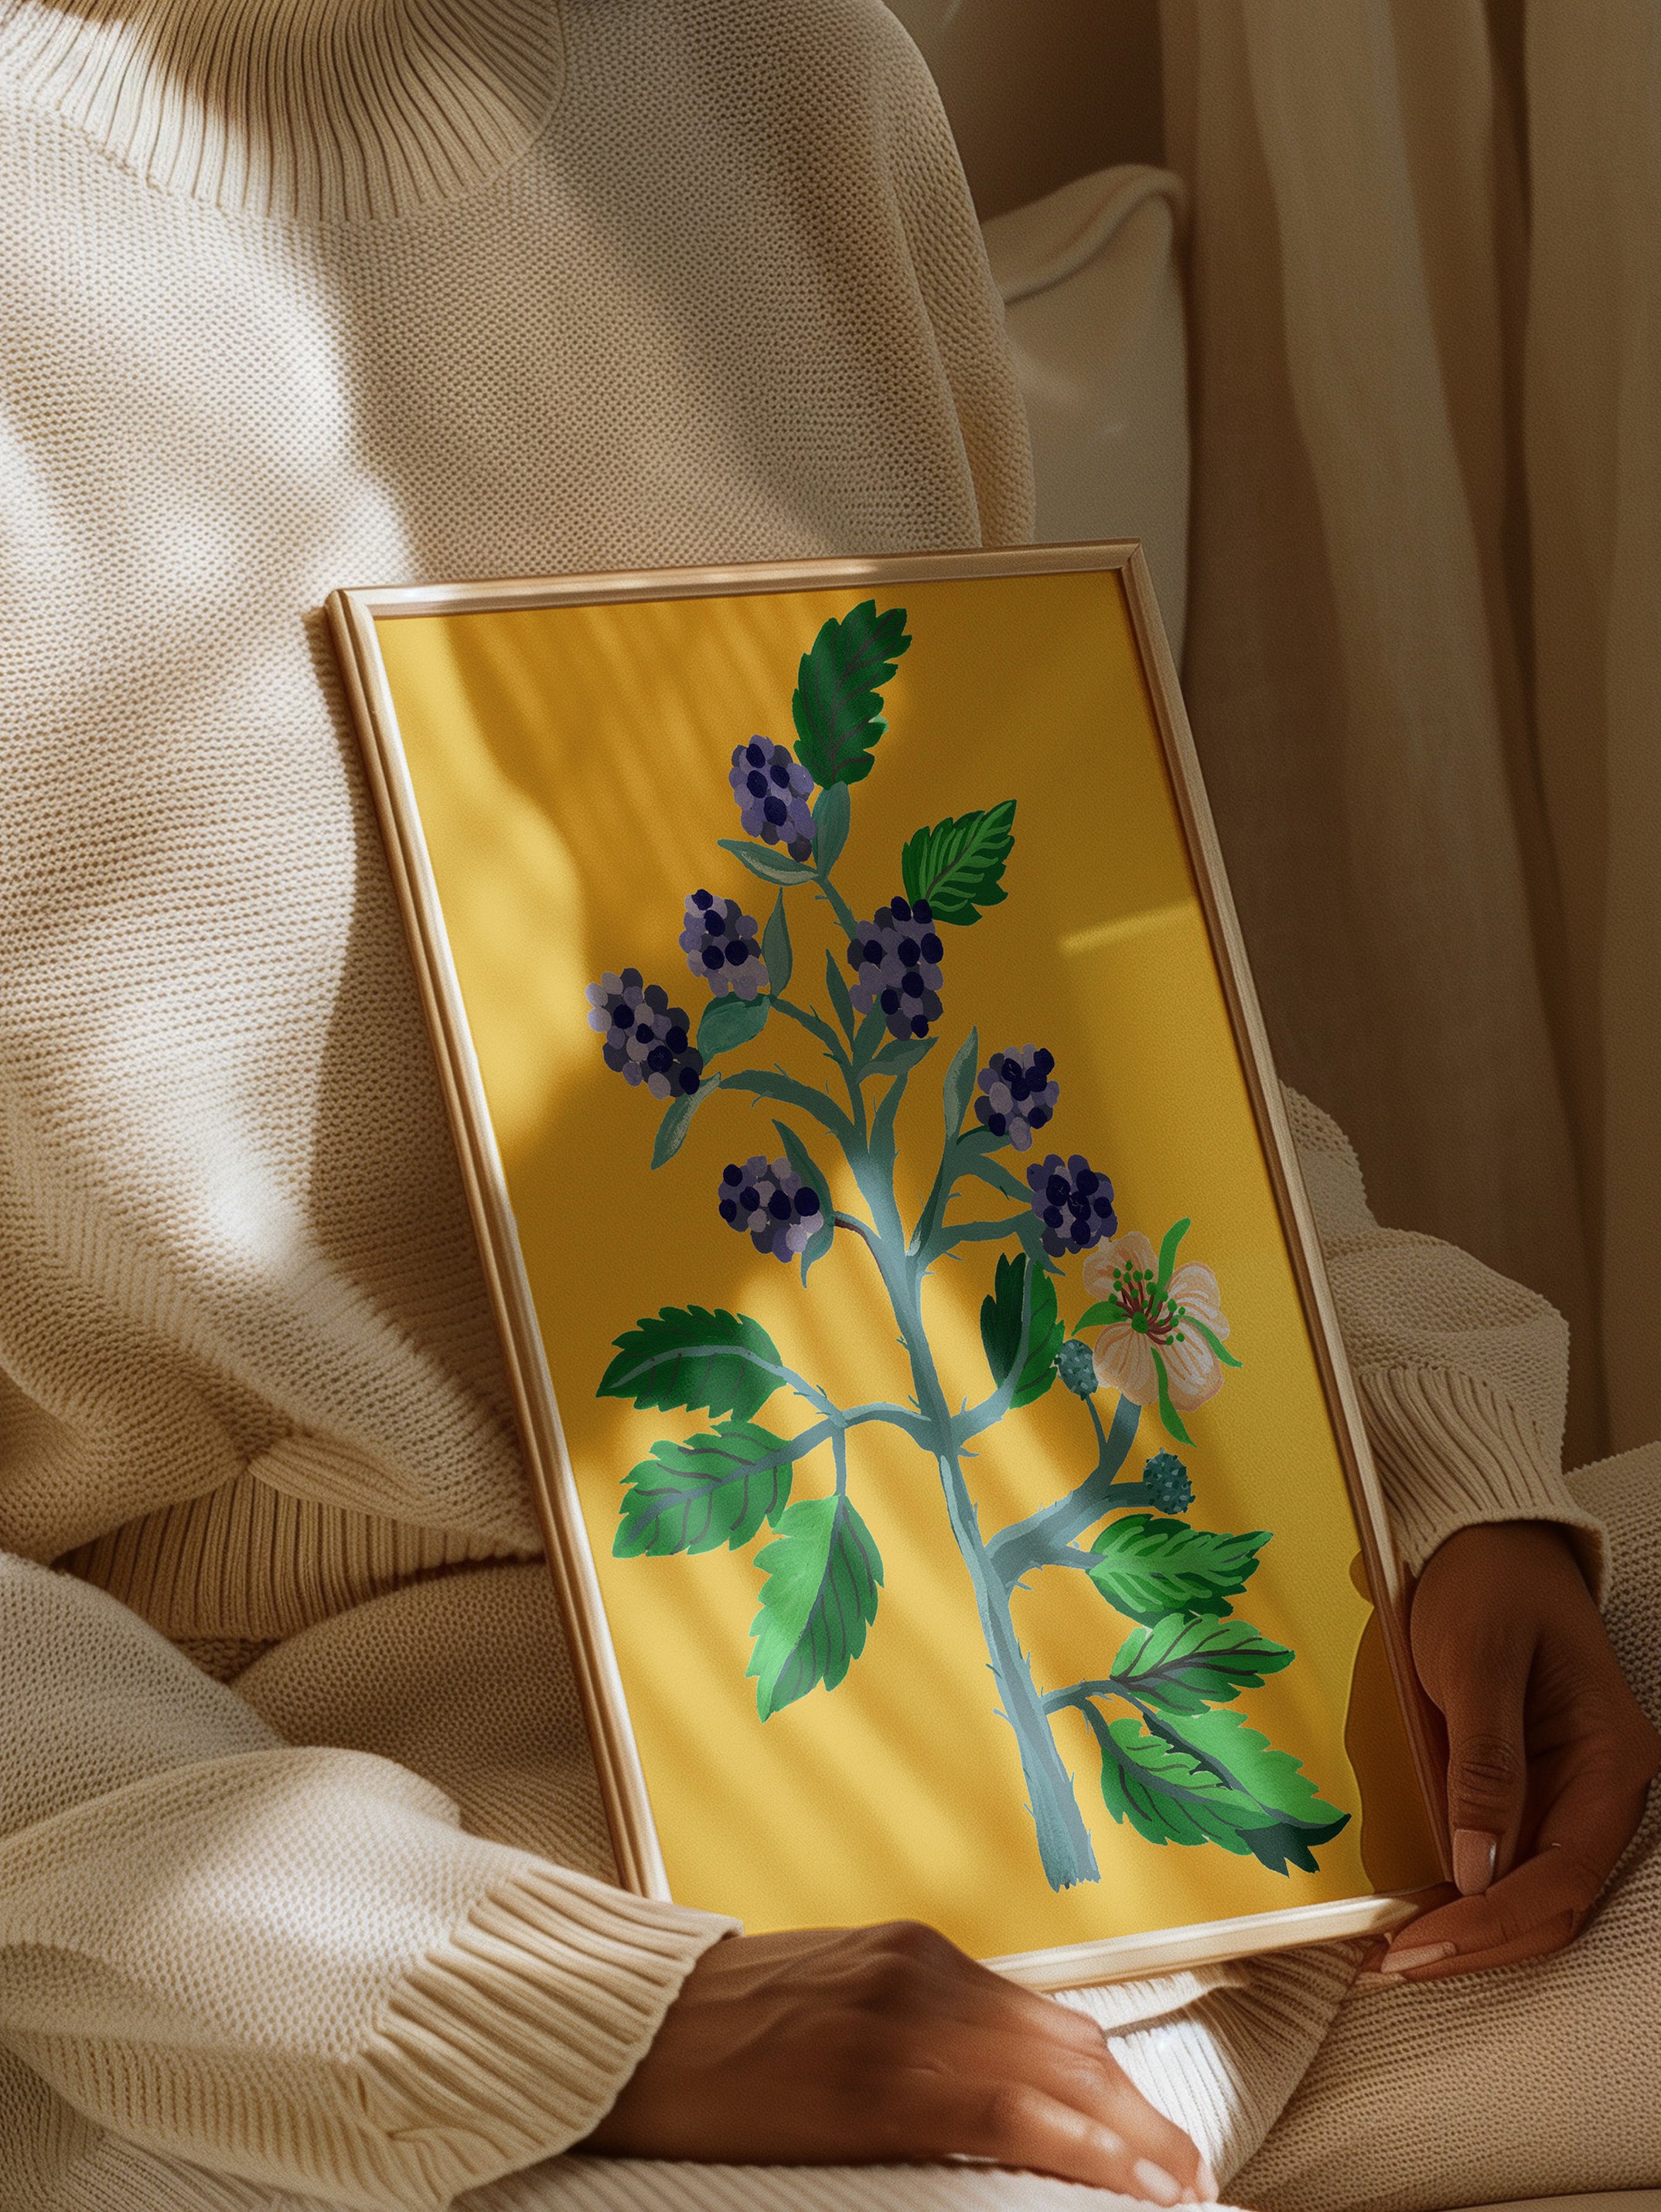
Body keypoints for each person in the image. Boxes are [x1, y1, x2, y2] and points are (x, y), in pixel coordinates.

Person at [0, 0, 1654, 2207]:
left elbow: (1064, 1008)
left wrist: (1438, 1496)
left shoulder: (782, 74)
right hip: (341, 1875)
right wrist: (533, 2002)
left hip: (1196, 1708)